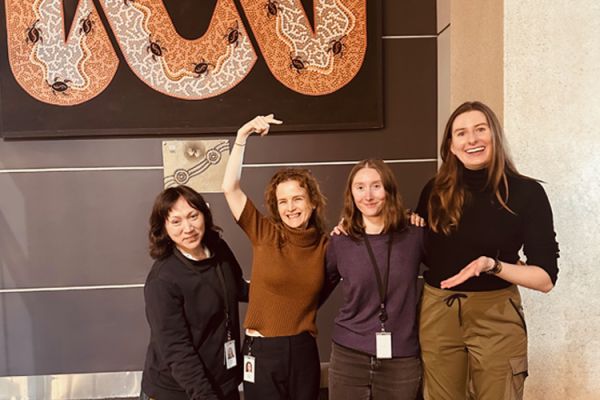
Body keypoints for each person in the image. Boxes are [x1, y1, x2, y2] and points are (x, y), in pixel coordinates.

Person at [415, 101, 559, 400]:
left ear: (495, 135)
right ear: (451, 146)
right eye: (461, 133)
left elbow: (545, 279)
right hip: (438, 312)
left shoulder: (527, 193)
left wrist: (493, 265)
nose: (472, 140)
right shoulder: (434, 191)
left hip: (496, 314)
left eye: (480, 129)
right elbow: (418, 250)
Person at [222, 114, 328, 400]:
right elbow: (230, 189)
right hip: (262, 351)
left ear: (313, 202)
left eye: (297, 199)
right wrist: (241, 136)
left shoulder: (326, 245)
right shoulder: (265, 232)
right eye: (283, 201)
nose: (290, 208)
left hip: (304, 348)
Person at [321, 159, 424, 400]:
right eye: (360, 187)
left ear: (388, 190)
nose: (368, 195)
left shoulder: (414, 235)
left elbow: (445, 273)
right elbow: (315, 290)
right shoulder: (340, 240)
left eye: (376, 186)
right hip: (349, 356)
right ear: (351, 193)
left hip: (401, 359)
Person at [141, 185, 249, 400]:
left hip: (223, 381)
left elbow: (238, 288)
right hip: (181, 390)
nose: (188, 228)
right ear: (163, 226)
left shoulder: (218, 248)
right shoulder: (163, 279)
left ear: (204, 215)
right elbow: (176, 349)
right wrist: (204, 395)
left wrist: (286, 297)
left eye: (193, 216)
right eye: (176, 221)